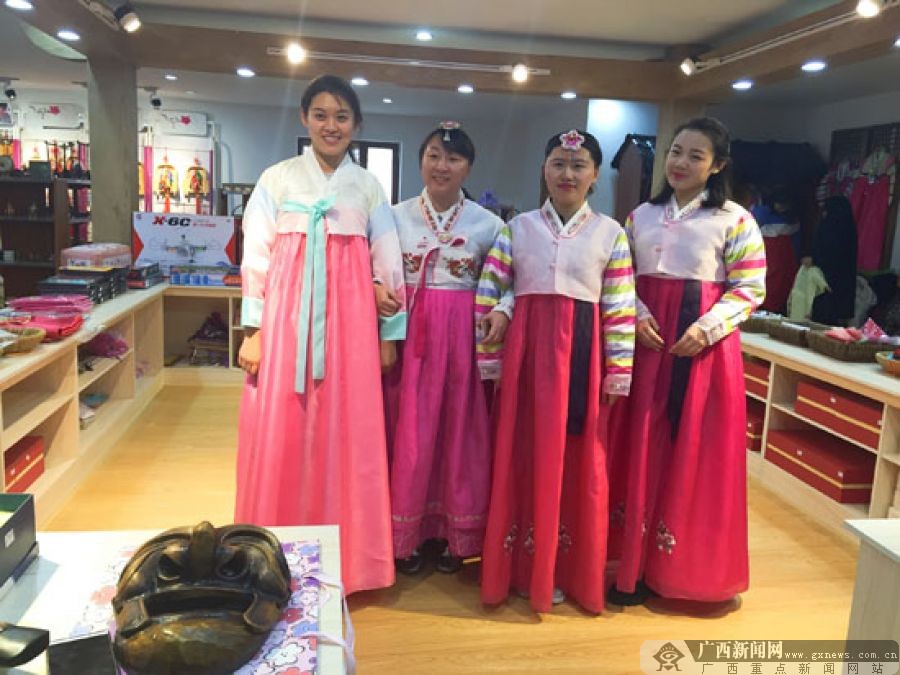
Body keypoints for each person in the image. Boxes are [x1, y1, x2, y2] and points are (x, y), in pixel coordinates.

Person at [235, 74, 407, 594]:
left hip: (351, 326)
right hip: (286, 322)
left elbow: (388, 261)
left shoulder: (368, 186)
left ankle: (352, 560)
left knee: (347, 431)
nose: (331, 125)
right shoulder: (277, 179)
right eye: (321, 115)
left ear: (356, 124)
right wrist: (253, 331)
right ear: (304, 118)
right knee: (283, 428)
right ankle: (272, 551)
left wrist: (388, 333)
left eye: (342, 116)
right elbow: (256, 255)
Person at [606, 117, 766, 606]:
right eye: (676, 152)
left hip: (701, 352)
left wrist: (707, 328)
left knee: (690, 449)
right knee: (637, 443)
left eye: (696, 156)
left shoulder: (735, 219)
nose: (680, 163)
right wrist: (636, 313)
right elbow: (619, 276)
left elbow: (751, 288)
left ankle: (680, 570)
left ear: (717, 166)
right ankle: (627, 565)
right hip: (646, 342)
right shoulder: (640, 216)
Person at [475, 129, 636, 614]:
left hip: (582, 360)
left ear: (595, 175)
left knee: (576, 458)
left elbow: (620, 305)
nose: (568, 173)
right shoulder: (517, 228)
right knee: (523, 455)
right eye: (558, 164)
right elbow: (491, 290)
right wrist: (490, 358)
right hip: (525, 361)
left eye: (579, 165)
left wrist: (618, 370)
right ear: (544, 170)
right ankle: (522, 567)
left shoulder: (611, 233)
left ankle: (565, 569)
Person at [384, 123, 508, 575]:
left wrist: (504, 310)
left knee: (459, 431)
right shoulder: (393, 217)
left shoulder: (490, 224)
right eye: (434, 155)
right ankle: (407, 536)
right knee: (410, 433)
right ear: (421, 160)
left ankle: (451, 536)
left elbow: (513, 282)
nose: (442, 166)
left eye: (453, 159)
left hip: (463, 342)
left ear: (468, 167)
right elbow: (376, 273)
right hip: (410, 338)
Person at [807, 195, 858, 326]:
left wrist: (814, 260)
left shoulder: (830, 228)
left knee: (823, 317)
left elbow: (831, 254)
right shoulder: (849, 227)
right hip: (842, 284)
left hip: (827, 280)